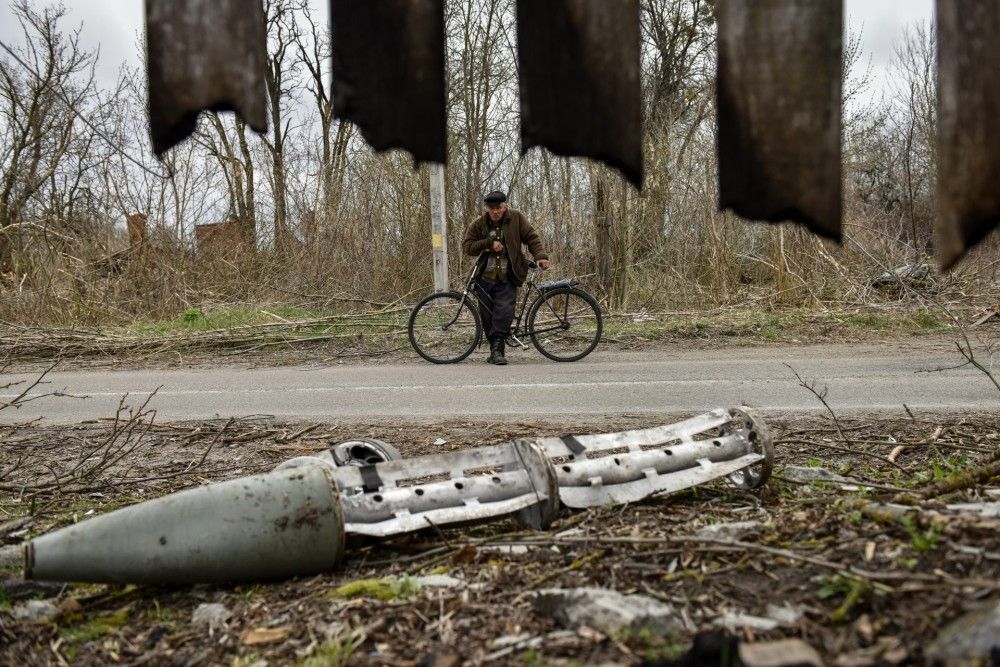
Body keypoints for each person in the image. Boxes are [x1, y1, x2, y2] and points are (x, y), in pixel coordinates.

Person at [462, 190, 551, 365]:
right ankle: (495, 350)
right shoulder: (479, 223)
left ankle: (496, 351)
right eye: (491, 208)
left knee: (503, 311)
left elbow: (531, 237)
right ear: (486, 208)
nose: (495, 211)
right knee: (487, 316)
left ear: (505, 206)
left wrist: (540, 255)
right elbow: (468, 247)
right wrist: (488, 243)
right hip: (484, 277)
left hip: (508, 275)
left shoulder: (516, 218)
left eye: (499, 207)